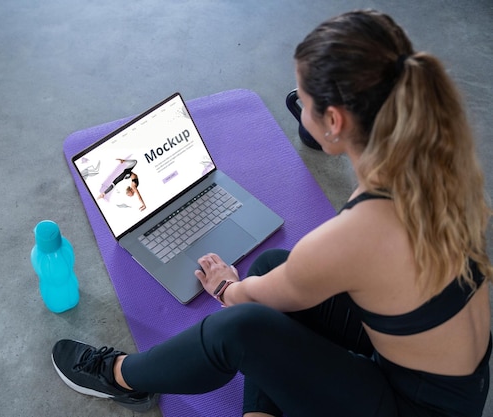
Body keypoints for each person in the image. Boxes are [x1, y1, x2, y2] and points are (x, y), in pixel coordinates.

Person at [51, 9, 492, 416]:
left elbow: (251, 304)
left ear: (333, 122)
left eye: (301, 101)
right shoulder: (434, 167)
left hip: (414, 409)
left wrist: (227, 290)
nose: (299, 110)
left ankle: (123, 377)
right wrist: (245, 288)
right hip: (452, 381)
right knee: (269, 266)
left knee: (240, 326)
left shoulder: (354, 234)